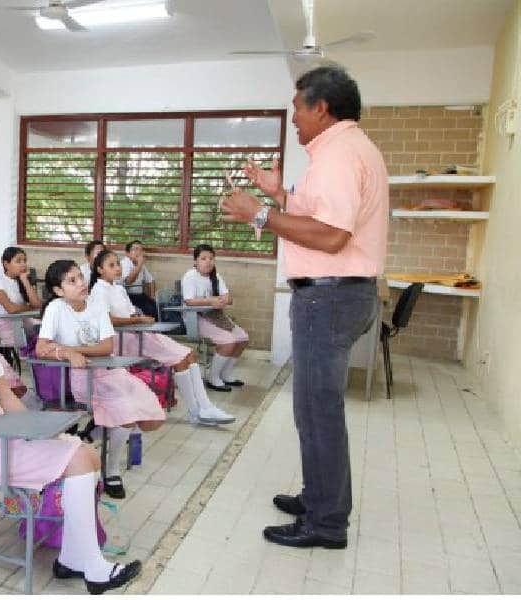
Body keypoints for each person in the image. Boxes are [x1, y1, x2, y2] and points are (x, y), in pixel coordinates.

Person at [221, 65, 387, 549]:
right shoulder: (350, 149)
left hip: (330, 295)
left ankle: (327, 523)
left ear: (321, 107)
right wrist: (280, 196)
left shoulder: (338, 155)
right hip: (339, 294)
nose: (293, 118)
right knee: (315, 410)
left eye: (297, 107)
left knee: (318, 412)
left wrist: (261, 215)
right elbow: (321, 218)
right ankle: (319, 497)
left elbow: (333, 237)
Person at [0, 263, 141, 593]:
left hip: (1, 435)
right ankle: (94, 568)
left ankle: (74, 559)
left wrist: (41, 431)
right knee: (78, 459)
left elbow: (8, 401)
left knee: (86, 453)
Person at [37, 260, 165, 499]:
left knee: (151, 418)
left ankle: (91, 435)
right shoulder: (56, 308)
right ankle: (112, 469)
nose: (81, 284)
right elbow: (41, 347)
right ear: (58, 290)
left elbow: (107, 346)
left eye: (80, 278)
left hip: (112, 371)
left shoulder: (96, 305)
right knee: (127, 415)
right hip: (83, 378)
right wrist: (68, 353)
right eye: (71, 281)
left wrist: (73, 349)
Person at [89, 249, 234, 425]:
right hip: (124, 339)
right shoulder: (99, 291)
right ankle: (197, 411)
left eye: (118, 264)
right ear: (99, 270)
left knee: (190, 355)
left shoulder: (118, 288)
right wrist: (136, 321)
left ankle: (205, 407)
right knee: (181, 359)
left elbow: (130, 312)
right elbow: (106, 320)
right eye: (111, 265)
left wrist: (137, 316)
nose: (117, 268)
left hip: (139, 332)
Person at [181, 244, 249, 391]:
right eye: (203, 258)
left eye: (211, 258)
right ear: (195, 261)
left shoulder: (216, 276)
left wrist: (223, 300)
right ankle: (213, 377)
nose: (208, 262)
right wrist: (211, 300)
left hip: (215, 316)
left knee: (242, 338)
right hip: (196, 318)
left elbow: (228, 297)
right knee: (228, 341)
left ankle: (226, 374)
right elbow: (189, 301)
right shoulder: (190, 276)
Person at [0, 247, 41, 347]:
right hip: (8, 324)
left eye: (24, 261)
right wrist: (29, 307)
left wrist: (25, 280)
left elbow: (37, 305)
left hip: (24, 321)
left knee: (49, 330)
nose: (23, 264)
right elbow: (11, 308)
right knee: (43, 332)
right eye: (18, 261)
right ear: (6, 264)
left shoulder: (21, 279)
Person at [120, 240, 157, 318]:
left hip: (140, 295)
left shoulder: (140, 265)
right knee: (149, 310)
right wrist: (139, 264)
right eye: (136, 249)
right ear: (127, 253)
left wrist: (152, 297)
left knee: (156, 307)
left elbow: (151, 281)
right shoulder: (125, 263)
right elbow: (128, 281)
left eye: (141, 250)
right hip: (128, 296)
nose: (139, 252)